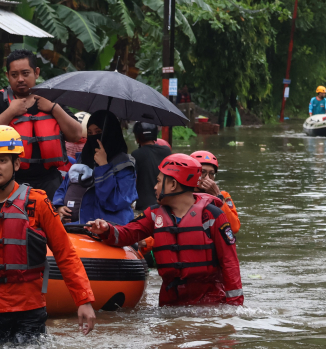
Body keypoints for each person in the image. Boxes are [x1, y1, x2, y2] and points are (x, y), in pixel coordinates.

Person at [0, 126, 97, 348]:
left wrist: (84, 300)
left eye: (2, 160)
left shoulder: (38, 203)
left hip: (28, 309)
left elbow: (65, 253)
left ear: (16, 164)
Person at [87, 154, 243, 307]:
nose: (155, 187)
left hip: (210, 302)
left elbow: (230, 263)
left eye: (159, 181)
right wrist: (106, 229)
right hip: (170, 302)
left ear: (173, 185)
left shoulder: (213, 215)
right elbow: (126, 234)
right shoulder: (153, 214)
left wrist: (234, 307)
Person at [0, 49, 83, 200]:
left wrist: (54, 108)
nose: (20, 79)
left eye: (25, 73)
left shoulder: (51, 99)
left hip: (50, 182)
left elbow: (77, 134)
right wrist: (10, 112)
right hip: (13, 183)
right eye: (14, 75)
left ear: (36, 72)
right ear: (7, 76)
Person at [53, 110, 137, 225]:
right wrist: (60, 205)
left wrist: (103, 166)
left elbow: (115, 202)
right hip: (78, 226)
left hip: (110, 229)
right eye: (90, 133)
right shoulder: (84, 157)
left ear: (110, 132)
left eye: (99, 132)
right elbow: (67, 184)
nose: (94, 138)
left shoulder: (124, 166)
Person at [190, 151, 241, 234]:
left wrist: (218, 197)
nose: (207, 178)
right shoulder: (184, 196)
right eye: (203, 172)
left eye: (211, 174)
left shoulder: (223, 196)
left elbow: (234, 228)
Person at [130, 122, 171, 212]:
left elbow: (133, 181)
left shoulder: (136, 154)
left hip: (144, 205)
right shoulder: (166, 151)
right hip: (165, 203)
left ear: (137, 137)